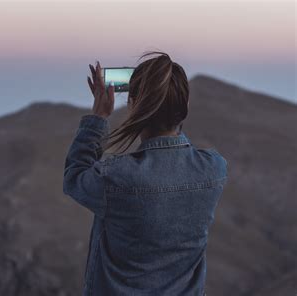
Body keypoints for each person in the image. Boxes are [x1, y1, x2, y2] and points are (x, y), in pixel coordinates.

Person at [63, 51, 227, 296]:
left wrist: (98, 117)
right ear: (186, 107)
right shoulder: (214, 169)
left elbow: (74, 176)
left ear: (133, 107)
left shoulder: (116, 177)